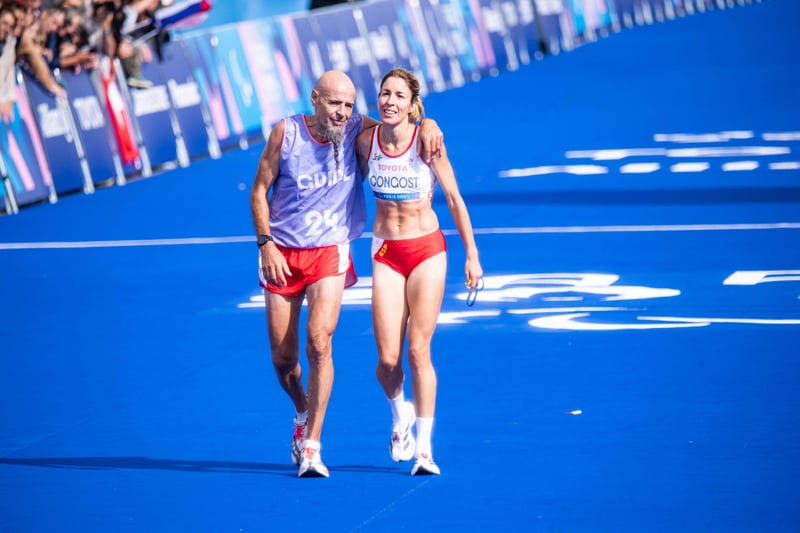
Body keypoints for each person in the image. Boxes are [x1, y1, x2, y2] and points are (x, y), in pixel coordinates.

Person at [249, 70, 442, 478]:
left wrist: (429, 123)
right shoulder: (286, 134)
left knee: (320, 342)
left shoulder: (357, 127)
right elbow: (258, 190)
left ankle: (313, 446)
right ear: (315, 99)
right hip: (283, 251)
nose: (342, 112)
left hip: (330, 250)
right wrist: (265, 243)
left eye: (349, 105)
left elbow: (400, 124)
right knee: (284, 360)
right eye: (334, 103)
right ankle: (302, 411)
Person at [356, 67, 482, 476]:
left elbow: (454, 198)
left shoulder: (427, 142)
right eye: (384, 93)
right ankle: (400, 414)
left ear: (413, 104)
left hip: (427, 251)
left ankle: (424, 450)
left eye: (399, 95)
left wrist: (472, 254)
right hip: (386, 253)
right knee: (387, 362)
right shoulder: (366, 142)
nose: (389, 101)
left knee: (417, 351)